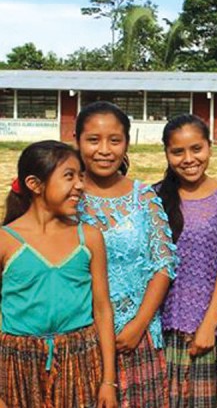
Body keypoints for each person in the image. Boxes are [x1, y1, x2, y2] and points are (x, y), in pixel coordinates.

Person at [75, 101, 179, 407]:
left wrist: (138, 325)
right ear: (76, 140)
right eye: (93, 140)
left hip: (136, 338)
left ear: (127, 144)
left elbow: (164, 264)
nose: (104, 150)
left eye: (114, 140)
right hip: (81, 337)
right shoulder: (68, 196)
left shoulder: (143, 196)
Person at [0, 140, 116, 408]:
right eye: (69, 176)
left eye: (80, 176)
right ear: (34, 184)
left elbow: (102, 310)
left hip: (80, 361)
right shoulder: (6, 240)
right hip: (17, 364)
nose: (79, 185)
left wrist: (108, 381)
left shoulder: (88, 238)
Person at [153, 114, 217, 407]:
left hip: (206, 332)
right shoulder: (153, 197)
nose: (188, 159)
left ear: (210, 148)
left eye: (196, 149)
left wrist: (208, 325)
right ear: (166, 153)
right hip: (158, 331)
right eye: (178, 151)